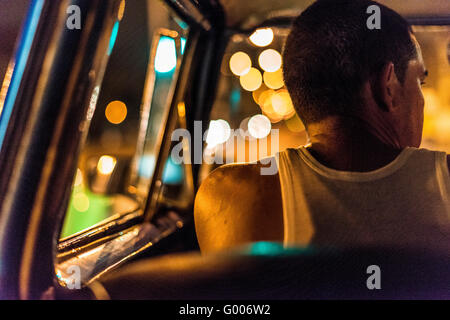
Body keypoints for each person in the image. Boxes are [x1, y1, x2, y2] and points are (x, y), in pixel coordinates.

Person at [194, 0, 450, 253]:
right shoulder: (445, 184)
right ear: (389, 86)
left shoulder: (230, 196)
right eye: (420, 82)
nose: (421, 99)